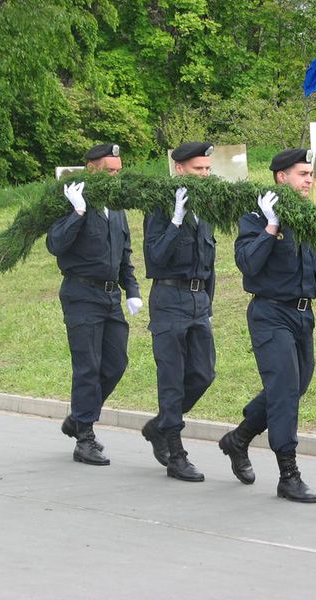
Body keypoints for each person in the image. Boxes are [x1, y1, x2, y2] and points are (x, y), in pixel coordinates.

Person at [219, 148, 316, 503]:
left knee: (296, 385)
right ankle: (288, 474)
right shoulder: (255, 217)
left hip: (303, 316)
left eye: (310, 174)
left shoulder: (309, 218)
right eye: (302, 173)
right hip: (270, 313)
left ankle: (239, 438)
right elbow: (248, 263)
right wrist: (271, 225)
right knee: (286, 388)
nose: (309, 180)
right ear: (281, 177)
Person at [47, 143, 143, 466]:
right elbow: (55, 244)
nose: (116, 176)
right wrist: (77, 212)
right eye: (110, 170)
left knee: (116, 363)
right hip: (81, 294)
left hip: (109, 296)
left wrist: (131, 289)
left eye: (119, 170)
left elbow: (124, 253)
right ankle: (84, 437)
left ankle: (78, 417)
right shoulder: (71, 199)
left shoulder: (115, 208)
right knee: (88, 366)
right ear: (91, 168)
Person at [140, 142, 216, 482]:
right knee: (171, 378)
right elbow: (155, 258)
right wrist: (175, 220)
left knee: (203, 373)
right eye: (198, 168)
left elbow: (208, 263)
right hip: (169, 298)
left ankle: (159, 425)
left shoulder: (204, 209)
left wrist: (208, 304)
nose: (204, 174)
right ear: (180, 169)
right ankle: (175, 450)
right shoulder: (160, 207)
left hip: (199, 303)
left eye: (207, 169)